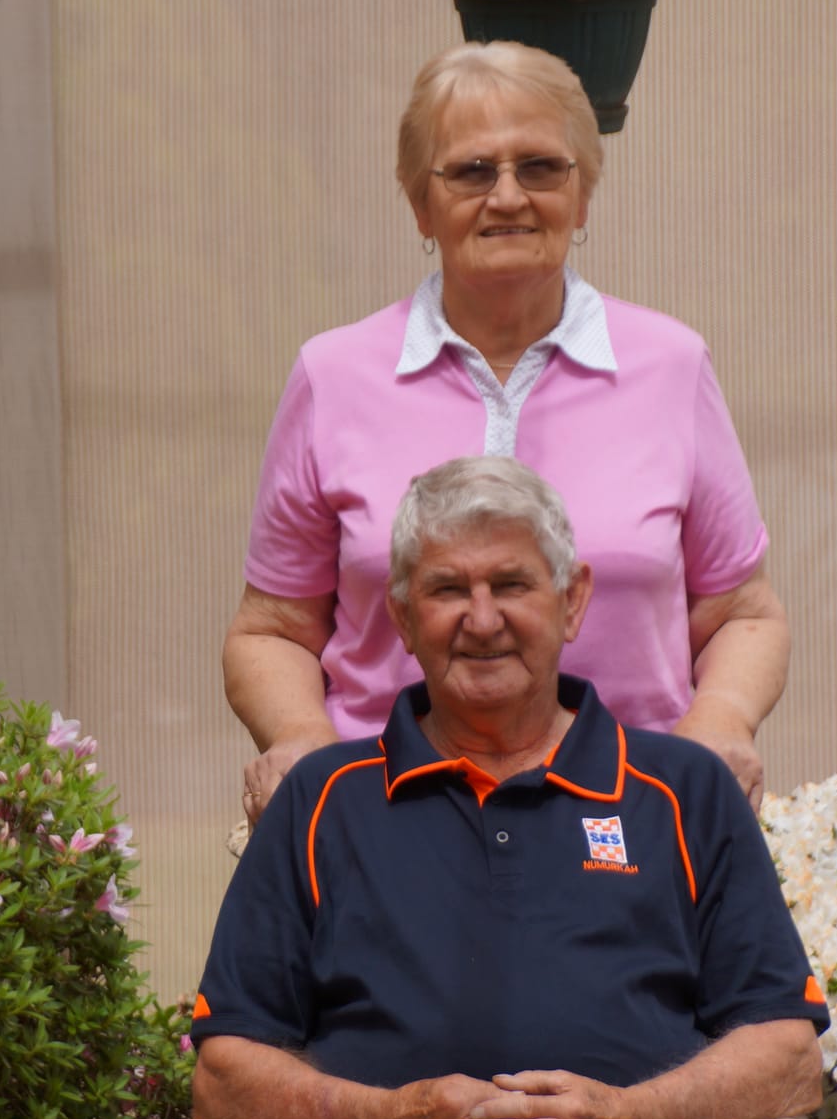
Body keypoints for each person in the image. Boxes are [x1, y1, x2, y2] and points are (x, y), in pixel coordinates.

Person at [193, 457, 827, 1119]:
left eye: (513, 584)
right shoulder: (321, 799)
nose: (483, 618)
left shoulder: (684, 790)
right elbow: (224, 1076)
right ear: (401, 617)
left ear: (573, 600)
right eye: (447, 589)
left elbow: (786, 1058)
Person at [228, 42, 789, 825]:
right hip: (389, 822)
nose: (507, 197)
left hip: (629, 824)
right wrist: (304, 748)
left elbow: (744, 614)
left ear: (583, 195)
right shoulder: (333, 376)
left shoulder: (672, 366)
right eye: (470, 171)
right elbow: (272, 631)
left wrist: (718, 724)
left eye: (540, 167)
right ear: (420, 205)